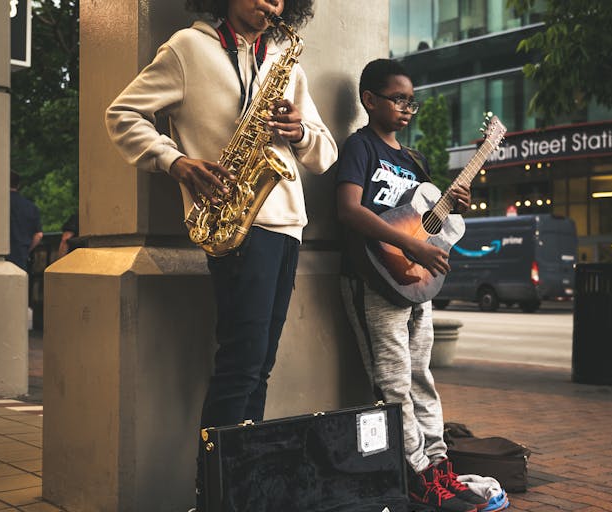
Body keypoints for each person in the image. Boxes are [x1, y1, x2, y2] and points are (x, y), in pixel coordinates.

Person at [104, 0, 337, 508]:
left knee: (260, 367)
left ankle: (240, 488)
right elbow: (121, 114)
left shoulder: (285, 59)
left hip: (287, 226)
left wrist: (299, 132)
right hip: (236, 225)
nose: (268, 5)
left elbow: (326, 152)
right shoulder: (189, 48)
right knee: (241, 367)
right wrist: (176, 162)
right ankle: (213, 493)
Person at [335, 59, 484, 512]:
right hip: (373, 280)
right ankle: (415, 475)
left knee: (422, 377)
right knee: (394, 384)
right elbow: (348, 210)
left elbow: (427, 222)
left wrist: (454, 203)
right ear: (370, 100)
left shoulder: (413, 160)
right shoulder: (360, 148)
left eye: (411, 102)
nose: (407, 108)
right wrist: (409, 246)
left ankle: (439, 468)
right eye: (399, 99)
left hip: (417, 284)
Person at [7, 171, 43, 272]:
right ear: (18, 185)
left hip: (1, 257)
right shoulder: (31, 207)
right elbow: (39, 235)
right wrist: (26, 250)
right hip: (21, 256)